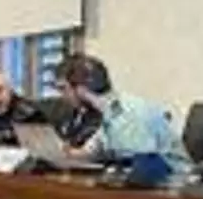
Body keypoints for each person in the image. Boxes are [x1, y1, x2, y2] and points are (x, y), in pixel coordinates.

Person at [59, 54, 187, 166]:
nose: (62, 95)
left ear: (81, 89)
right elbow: (94, 148)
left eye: (64, 88)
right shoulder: (112, 112)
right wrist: (67, 153)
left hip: (176, 180)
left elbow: (145, 166)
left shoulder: (128, 115)